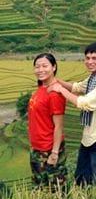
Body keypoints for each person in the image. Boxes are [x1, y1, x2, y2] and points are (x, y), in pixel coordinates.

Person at [49, 42, 96, 188]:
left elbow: (85, 102)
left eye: (94, 58)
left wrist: (61, 90)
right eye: (87, 58)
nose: (89, 62)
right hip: (89, 137)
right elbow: (77, 87)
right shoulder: (94, 77)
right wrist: (53, 79)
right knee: (82, 179)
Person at [28, 53, 67, 189]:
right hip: (37, 148)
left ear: (54, 67)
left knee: (55, 190)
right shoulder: (41, 88)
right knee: (38, 189)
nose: (40, 70)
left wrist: (54, 153)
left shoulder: (55, 93)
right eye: (37, 67)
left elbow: (59, 126)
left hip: (48, 149)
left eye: (45, 66)